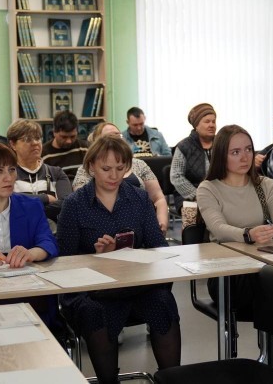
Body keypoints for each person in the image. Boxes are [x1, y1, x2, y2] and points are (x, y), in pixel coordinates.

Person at [57, 134, 180, 383]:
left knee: (163, 301)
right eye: (106, 169)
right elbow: (65, 260)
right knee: (94, 313)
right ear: (91, 167)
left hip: (135, 284)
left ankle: (172, 379)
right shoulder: (74, 204)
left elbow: (158, 247)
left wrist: (126, 254)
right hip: (93, 290)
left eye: (120, 168)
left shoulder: (139, 198)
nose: (114, 176)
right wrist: (97, 257)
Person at [197, 124, 273, 314]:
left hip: (263, 263)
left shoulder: (267, 185)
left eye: (248, 149)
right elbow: (218, 228)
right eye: (235, 152)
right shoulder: (208, 188)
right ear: (221, 156)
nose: (245, 157)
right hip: (228, 273)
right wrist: (248, 234)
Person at [72, 122, 169, 235]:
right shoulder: (87, 168)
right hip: (102, 227)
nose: (116, 139)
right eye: (110, 137)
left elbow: (158, 198)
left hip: (142, 223)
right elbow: (82, 202)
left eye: (119, 135)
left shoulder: (139, 164)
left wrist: (161, 223)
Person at [6, 120, 71, 221]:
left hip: (51, 230)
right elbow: (6, 200)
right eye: (28, 139)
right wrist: (45, 198)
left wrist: (25, 208)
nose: (35, 143)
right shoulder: (6, 174)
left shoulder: (56, 173)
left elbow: (66, 205)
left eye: (37, 138)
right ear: (13, 144)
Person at [170, 103, 217, 212]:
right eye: (207, 121)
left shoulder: (222, 144)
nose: (211, 125)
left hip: (218, 195)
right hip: (188, 196)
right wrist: (197, 195)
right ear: (196, 125)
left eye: (213, 121)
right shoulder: (183, 146)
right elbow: (176, 177)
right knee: (194, 217)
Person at [42, 110, 89, 181]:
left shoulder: (85, 149)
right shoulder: (44, 154)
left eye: (72, 136)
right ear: (54, 132)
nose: (69, 141)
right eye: (64, 137)